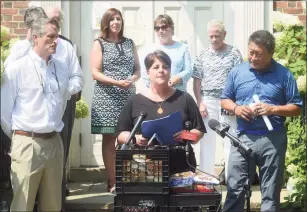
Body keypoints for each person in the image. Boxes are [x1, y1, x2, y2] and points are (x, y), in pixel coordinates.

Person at [1, 17, 82, 211]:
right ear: (35, 37)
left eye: (57, 37)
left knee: (53, 205)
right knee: (23, 204)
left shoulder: (61, 68)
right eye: (50, 37)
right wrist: (20, 139)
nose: (56, 41)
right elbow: (4, 112)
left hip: (54, 142)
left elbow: (63, 100)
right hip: (27, 143)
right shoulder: (16, 68)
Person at [220, 30, 302, 212]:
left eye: (259, 54)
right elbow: (225, 99)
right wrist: (237, 109)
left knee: (270, 194)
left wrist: (272, 108)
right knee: (235, 191)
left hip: (273, 140)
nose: (253, 57)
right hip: (241, 138)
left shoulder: (284, 74)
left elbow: (296, 108)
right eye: (251, 52)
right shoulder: (237, 72)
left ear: (271, 53)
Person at [117, 50, 206, 174]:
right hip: (145, 166)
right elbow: (121, 135)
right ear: (148, 72)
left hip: (180, 163)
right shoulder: (134, 101)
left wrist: (186, 135)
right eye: (156, 67)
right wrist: (135, 139)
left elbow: (199, 132)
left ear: (170, 71)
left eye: (165, 67)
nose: (161, 70)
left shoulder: (185, 98)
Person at [90, 8, 140, 193]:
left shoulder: (129, 43)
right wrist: (116, 82)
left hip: (128, 96)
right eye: (112, 19)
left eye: (118, 19)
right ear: (106, 22)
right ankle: (112, 181)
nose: (116, 22)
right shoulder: (99, 43)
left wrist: (132, 80)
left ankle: (126, 178)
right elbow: (95, 72)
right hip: (107, 98)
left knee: (128, 138)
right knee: (110, 139)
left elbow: (138, 70)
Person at [192, 19, 243, 176]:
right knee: (207, 141)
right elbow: (196, 81)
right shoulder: (202, 54)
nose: (214, 39)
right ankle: (207, 178)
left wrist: (235, 104)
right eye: (211, 36)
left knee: (230, 139)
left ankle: (231, 178)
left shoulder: (234, 53)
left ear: (224, 34)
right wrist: (200, 103)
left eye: (217, 36)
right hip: (208, 102)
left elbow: (240, 79)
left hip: (227, 102)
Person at [46, 6, 81, 207]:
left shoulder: (66, 44)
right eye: (51, 19)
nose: (55, 22)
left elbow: (77, 76)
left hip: (65, 104)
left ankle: (59, 193)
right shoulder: (34, 45)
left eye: (58, 20)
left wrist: (69, 93)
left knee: (63, 147)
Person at [140, 14, 192, 92]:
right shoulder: (150, 49)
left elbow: (188, 70)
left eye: (163, 27)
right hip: (157, 94)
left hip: (178, 93)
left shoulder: (183, 48)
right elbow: (144, 71)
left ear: (171, 28)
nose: (160, 31)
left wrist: (176, 79)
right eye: (157, 28)